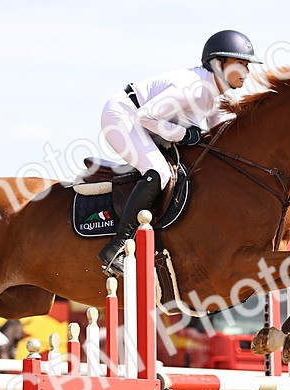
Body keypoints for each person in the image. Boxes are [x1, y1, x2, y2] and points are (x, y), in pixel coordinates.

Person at [97, 29, 259, 274]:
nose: (247, 72)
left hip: (145, 123)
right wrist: (184, 135)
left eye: (248, 66)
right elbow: (146, 116)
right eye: (241, 64)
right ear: (218, 64)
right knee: (158, 172)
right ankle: (116, 247)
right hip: (123, 116)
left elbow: (221, 135)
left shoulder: (215, 94)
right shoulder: (192, 87)